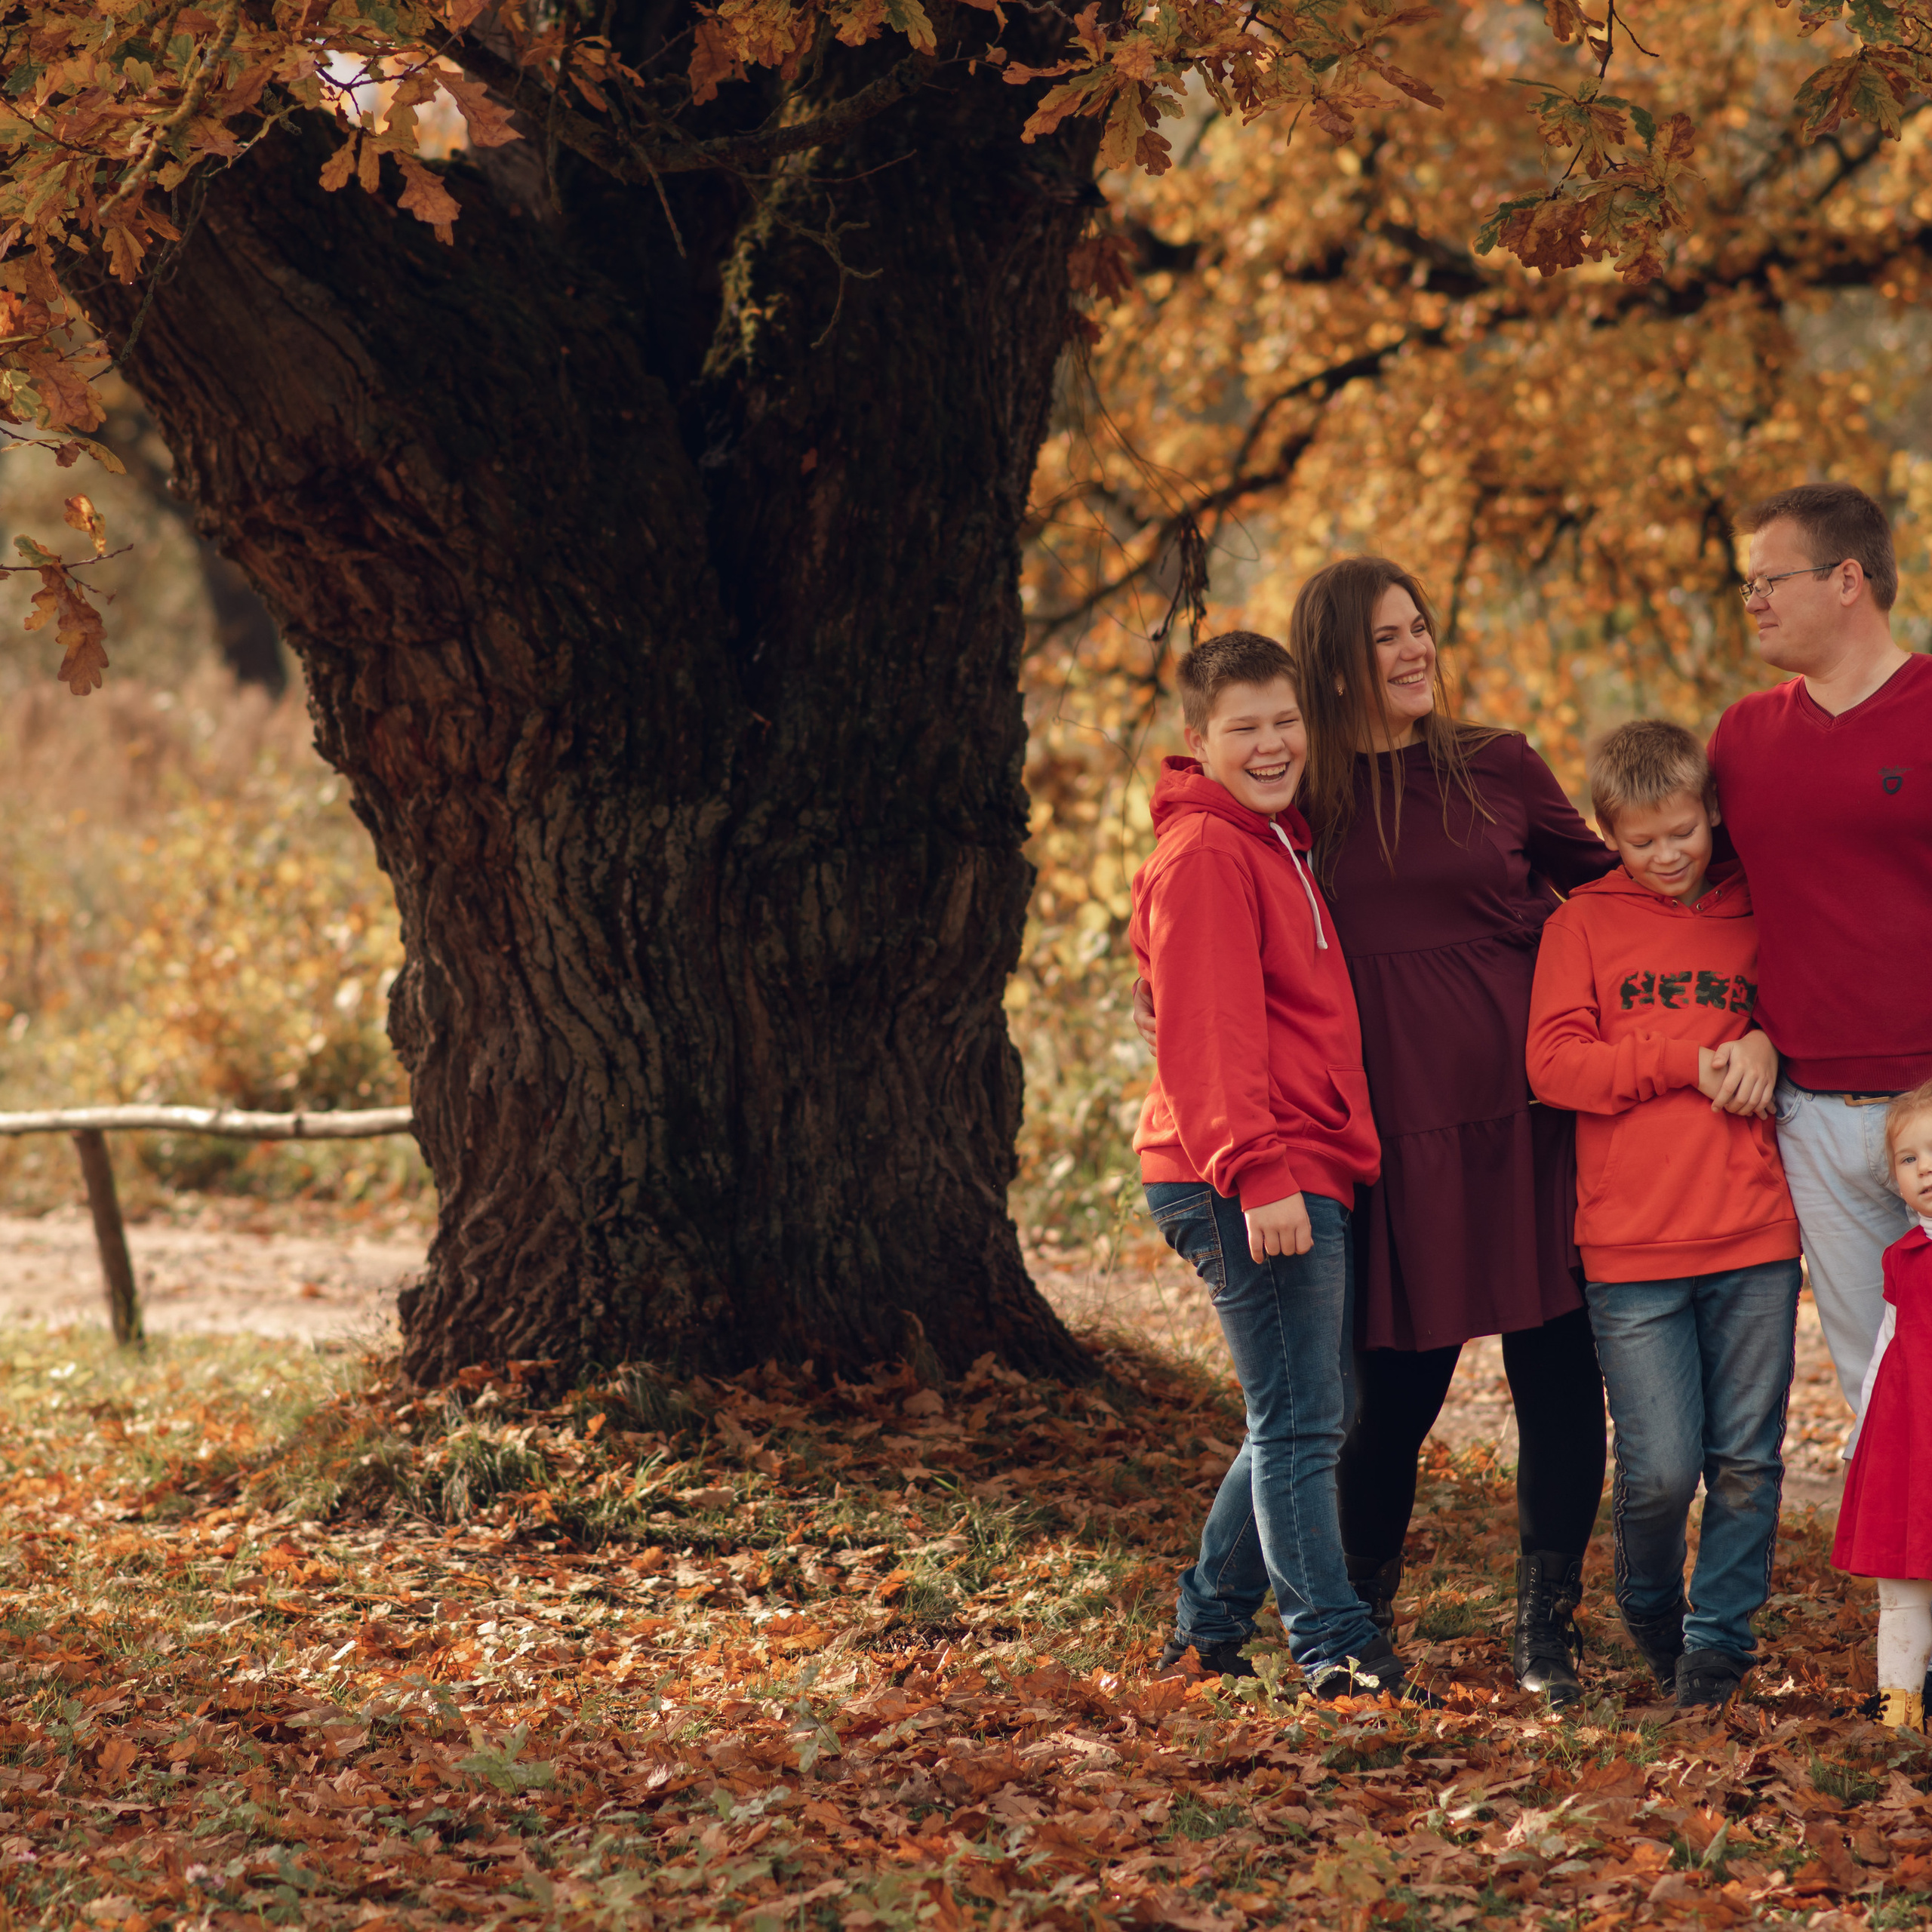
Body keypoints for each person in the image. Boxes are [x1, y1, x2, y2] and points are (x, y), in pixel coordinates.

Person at [1137, 558, 1618, 1706]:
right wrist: (1151, 974)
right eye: (1385, 636)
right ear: (1335, 664)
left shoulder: (1497, 765)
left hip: (1526, 1121)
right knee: (1366, 1402)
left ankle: (1543, 1630)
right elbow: (1205, 924)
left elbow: (1615, 888)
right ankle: (1350, 1616)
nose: (1414, 651)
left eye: (1421, 628)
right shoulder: (1296, 800)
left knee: (1556, 1372)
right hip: (1377, 1142)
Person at [1131, 629, 1421, 1700]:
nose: (1271, 745)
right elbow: (1207, 1033)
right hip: (1248, 1171)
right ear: (1198, 740)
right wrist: (1257, 1172)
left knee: (1305, 1410)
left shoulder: (1268, 841)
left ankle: (1208, 1625)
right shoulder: (1210, 853)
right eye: (1244, 728)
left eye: (1286, 722)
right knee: (1303, 1421)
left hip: (1291, 1157)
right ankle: (1334, 1646)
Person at [1527, 720, 1801, 1711]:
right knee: (1661, 1470)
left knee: (1746, 1461)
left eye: (1681, 832)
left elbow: (1813, 1011)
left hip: (1753, 1232)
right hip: (1631, 1246)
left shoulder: (1760, 906)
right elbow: (1554, 1066)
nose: (1666, 854)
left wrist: (1767, 1038)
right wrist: (1683, 1061)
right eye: (1640, 841)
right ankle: (1650, 1605)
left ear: (1711, 811)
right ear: (1609, 835)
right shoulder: (1582, 926)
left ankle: (1718, 1644)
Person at [1709, 482, 1932, 1412]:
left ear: (1847, 579)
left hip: (1930, 1099)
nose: (1752, 600)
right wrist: (1751, 1026)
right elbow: (1711, 906)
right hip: (1810, 1112)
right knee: (1876, 1388)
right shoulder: (1742, 738)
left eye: (1770, 579)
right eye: (1747, 583)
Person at [1831, 1081, 1932, 1730]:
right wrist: (1865, 1435)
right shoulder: (1901, 1258)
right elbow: (1884, 1349)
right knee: (1902, 1583)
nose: (1926, 1169)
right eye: (1910, 1159)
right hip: (1908, 1442)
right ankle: (1899, 1703)